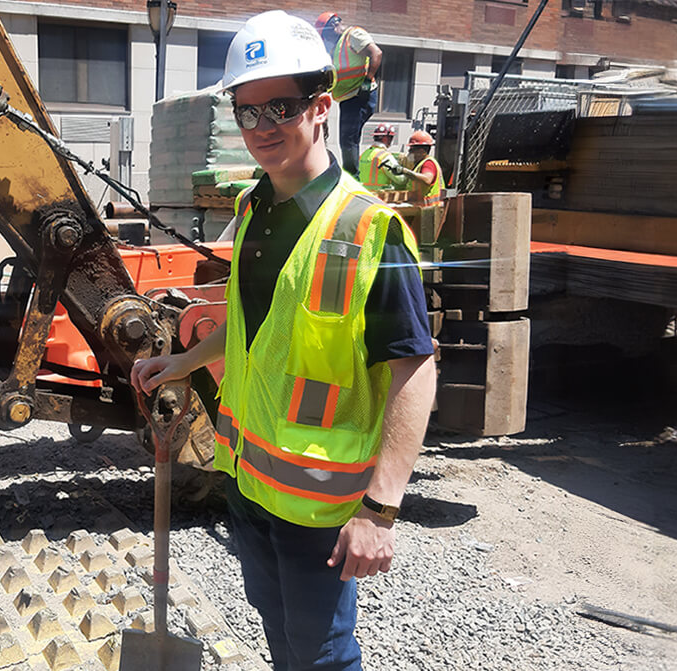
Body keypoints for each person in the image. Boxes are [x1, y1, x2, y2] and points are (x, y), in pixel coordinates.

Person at [132, 11, 436, 670]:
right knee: (280, 637)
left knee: (323, 654)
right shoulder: (253, 212)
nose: (263, 127)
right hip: (247, 487)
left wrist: (380, 509)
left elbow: (415, 369)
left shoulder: (367, 231)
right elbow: (252, 329)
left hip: (321, 507)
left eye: (281, 107)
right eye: (247, 112)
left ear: (321, 106)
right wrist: (180, 361)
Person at [315, 11, 382, 179]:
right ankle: (351, 175)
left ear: (332, 27)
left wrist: (368, 79)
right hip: (348, 99)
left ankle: (353, 179)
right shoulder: (337, 48)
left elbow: (376, 53)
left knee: (348, 138)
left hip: (359, 95)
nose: (327, 39)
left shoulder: (353, 34)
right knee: (346, 138)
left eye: (326, 35)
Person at [358, 123, 410, 192]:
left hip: (364, 194)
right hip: (379, 196)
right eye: (391, 137)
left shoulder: (363, 154)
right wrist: (409, 173)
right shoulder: (385, 156)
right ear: (386, 138)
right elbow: (400, 179)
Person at [404, 130, 446, 207]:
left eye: (412, 150)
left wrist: (405, 172)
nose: (409, 152)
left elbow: (427, 179)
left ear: (421, 151)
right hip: (422, 208)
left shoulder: (428, 163)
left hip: (429, 209)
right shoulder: (420, 163)